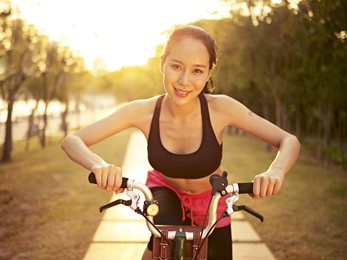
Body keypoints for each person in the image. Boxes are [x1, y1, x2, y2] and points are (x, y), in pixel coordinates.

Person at [61, 25, 301, 260]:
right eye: (176, 66)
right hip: (164, 194)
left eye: (197, 70)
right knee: (164, 246)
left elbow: (288, 140)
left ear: (208, 73)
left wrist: (276, 171)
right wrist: (99, 165)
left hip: (212, 202)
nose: (184, 81)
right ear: (162, 64)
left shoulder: (221, 108)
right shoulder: (142, 111)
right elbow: (73, 140)